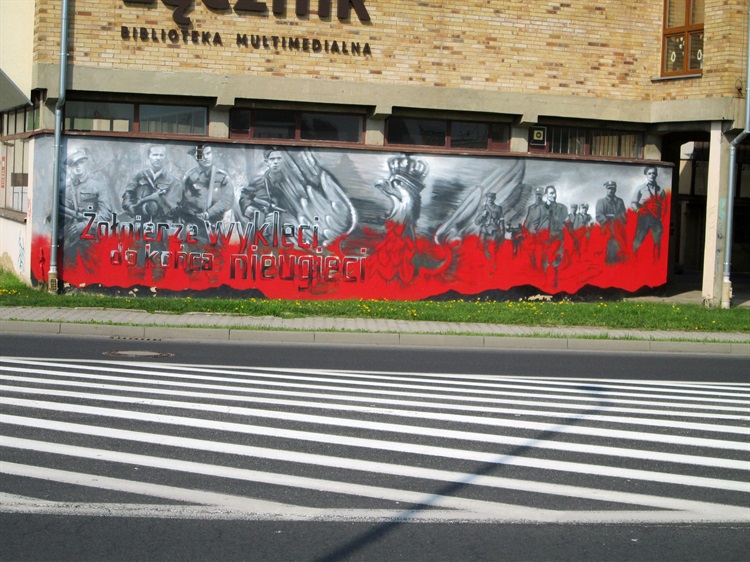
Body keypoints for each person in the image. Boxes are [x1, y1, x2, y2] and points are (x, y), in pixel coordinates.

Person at [61, 148, 113, 273]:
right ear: (69, 167)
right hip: (68, 237)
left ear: (86, 164)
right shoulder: (63, 187)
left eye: (81, 163)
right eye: (74, 164)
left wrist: (84, 225)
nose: (78, 167)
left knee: (93, 271)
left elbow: (106, 213)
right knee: (68, 270)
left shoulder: (97, 186)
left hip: (91, 237)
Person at [122, 144, 181, 221]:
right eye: (155, 155)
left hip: (162, 223)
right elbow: (128, 196)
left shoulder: (173, 182)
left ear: (165, 158)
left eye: (161, 155)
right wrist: (131, 208)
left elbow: (173, 209)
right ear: (149, 156)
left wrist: (159, 198)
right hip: (139, 221)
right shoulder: (138, 177)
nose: (158, 158)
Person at [179, 145, 234, 224]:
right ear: (196, 157)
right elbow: (182, 199)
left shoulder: (222, 177)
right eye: (201, 155)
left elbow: (227, 200)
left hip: (216, 224)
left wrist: (209, 213)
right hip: (193, 223)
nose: (206, 157)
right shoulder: (189, 177)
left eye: (208, 153)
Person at [239, 147, 295, 225]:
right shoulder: (258, 181)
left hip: (286, 223)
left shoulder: (292, 182)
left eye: (279, 158)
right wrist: (247, 206)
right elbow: (245, 195)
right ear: (266, 162)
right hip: (264, 222)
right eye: (272, 159)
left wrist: (279, 218)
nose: (276, 162)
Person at [631, 165, 666, 259]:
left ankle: (656, 262)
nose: (652, 175)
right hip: (644, 217)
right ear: (646, 175)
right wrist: (638, 210)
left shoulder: (660, 190)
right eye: (649, 173)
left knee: (657, 241)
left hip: (656, 219)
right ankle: (634, 259)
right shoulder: (640, 188)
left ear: (656, 175)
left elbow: (664, 205)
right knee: (639, 238)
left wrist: (661, 217)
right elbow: (633, 203)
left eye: (654, 173)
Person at [595, 180, 628, 264]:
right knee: (606, 247)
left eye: (612, 189)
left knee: (620, 246)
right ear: (606, 189)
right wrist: (607, 224)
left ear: (615, 190)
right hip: (606, 227)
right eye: (609, 188)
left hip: (618, 227)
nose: (611, 190)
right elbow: (599, 215)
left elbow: (623, 214)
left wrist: (620, 222)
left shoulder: (620, 201)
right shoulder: (601, 202)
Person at [474, 192, 505, 258]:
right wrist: (482, 215)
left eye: (492, 198)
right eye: (489, 197)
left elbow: (501, 221)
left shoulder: (498, 208)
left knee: (495, 248)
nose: (490, 199)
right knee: (481, 247)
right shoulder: (483, 208)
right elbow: (476, 222)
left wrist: (503, 233)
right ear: (487, 198)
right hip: (484, 231)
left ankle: (494, 259)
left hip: (494, 231)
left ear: (494, 198)